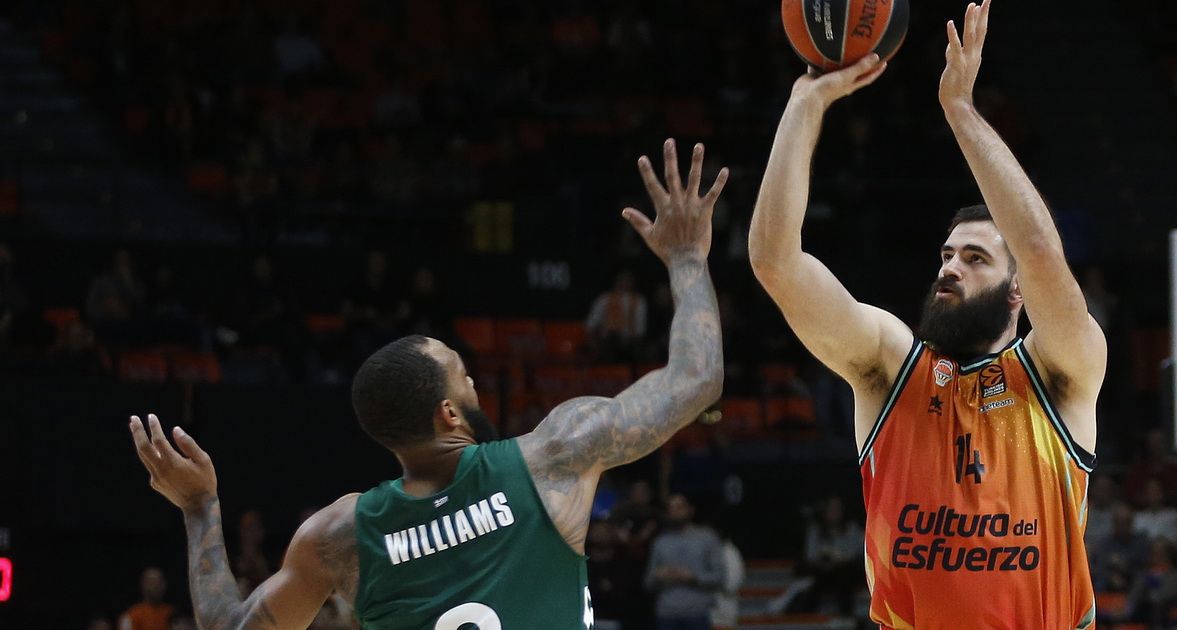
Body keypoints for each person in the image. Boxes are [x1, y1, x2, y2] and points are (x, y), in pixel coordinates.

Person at [128, 139, 728, 629]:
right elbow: (696, 379)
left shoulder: (339, 536)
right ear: (449, 413)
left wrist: (200, 507)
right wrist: (685, 259)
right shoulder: (554, 456)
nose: (475, 383)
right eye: (464, 376)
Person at [748, 2, 1105, 628]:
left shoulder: (1059, 375)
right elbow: (776, 262)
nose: (950, 268)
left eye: (975, 258)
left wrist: (961, 112)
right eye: (946, 255)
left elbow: (1042, 252)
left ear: (1017, 291)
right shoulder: (890, 367)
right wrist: (805, 104)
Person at [643, 494, 725, 630]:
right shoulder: (660, 542)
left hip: (698, 612)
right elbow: (648, 581)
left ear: (691, 509)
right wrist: (658, 576)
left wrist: (693, 577)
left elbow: (719, 576)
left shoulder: (707, 538)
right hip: (666, 613)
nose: (674, 512)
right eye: (671, 508)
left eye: (679, 507)